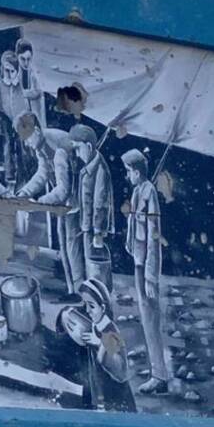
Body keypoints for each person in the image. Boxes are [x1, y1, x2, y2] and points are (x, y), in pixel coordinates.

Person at [14, 112, 84, 293]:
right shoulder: (41, 145)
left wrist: (38, 203)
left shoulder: (59, 149)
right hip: (64, 204)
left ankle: (80, 292)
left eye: (27, 139)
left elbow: (63, 189)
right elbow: (43, 173)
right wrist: (25, 192)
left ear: (36, 131)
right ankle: (72, 291)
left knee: (73, 248)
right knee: (65, 246)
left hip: (76, 204)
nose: (27, 144)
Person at [122, 148, 169, 395]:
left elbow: (153, 236)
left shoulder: (149, 193)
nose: (127, 176)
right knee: (145, 315)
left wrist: (151, 275)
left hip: (146, 265)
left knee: (151, 319)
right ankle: (155, 369)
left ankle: (159, 376)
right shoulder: (139, 190)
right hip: (139, 261)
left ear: (137, 171)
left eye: (129, 171)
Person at [57, 278, 136, 412]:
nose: (87, 310)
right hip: (99, 389)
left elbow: (121, 370)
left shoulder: (110, 331)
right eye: (85, 305)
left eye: (92, 306)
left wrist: (100, 343)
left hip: (115, 397)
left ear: (103, 307)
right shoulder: (95, 323)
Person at [70, 124, 114, 289]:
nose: (76, 153)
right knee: (90, 266)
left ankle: (97, 299)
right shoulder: (89, 166)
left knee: (94, 268)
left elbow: (100, 204)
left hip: (93, 229)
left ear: (88, 146)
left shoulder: (100, 169)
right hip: (86, 226)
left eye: (77, 148)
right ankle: (92, 297)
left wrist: (97, 232)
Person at [16, 38, 46, 127]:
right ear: (17, 56)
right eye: (22, 59)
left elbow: (38, 91)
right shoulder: (15, 73)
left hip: (36, 111)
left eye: (28, 59)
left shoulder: (35, 73)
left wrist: (23, 93)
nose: (26, 63)